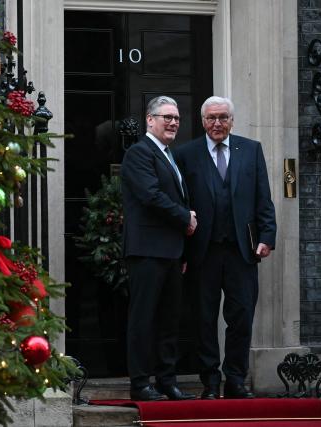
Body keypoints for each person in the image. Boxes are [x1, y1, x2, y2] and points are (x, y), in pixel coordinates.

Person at [173, 96, 276, 399]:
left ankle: (235, 380)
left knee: (241, 317)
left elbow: (263, 199)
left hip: (241, 251)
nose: (217, 124)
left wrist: (267, 237)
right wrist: (181, 251)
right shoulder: (186, 154)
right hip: (202, 252)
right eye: (211, 118)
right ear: (203, 121)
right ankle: (209, 383)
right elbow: (180, 204)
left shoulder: (251, 150)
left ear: (232, 120)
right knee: (203, 319)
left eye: (222, 118)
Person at [121, 96, 197, 401]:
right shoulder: (139, 153)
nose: (174, 122)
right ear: (149, 120)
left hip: (172, 253)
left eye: (177, 118)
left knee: (169, 320)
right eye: (167, 117)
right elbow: (150, 196)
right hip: (147, 250)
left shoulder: (170, 155)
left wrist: (183, 250)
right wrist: (186, 217)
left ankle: (167, 381)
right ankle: (140, 383)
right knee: (144, 319)